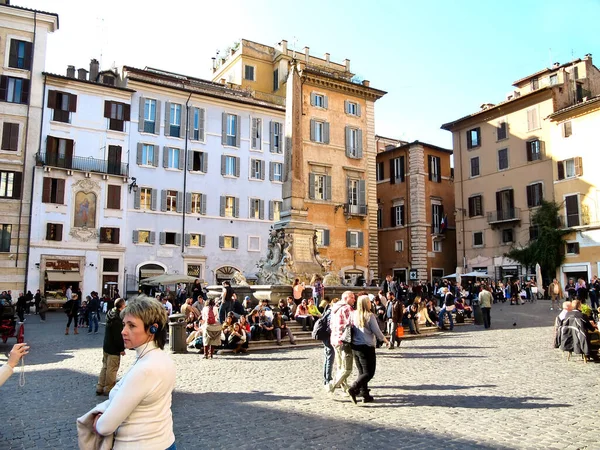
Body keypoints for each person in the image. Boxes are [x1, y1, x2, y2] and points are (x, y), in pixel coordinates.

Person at [88, 296, 176, 450]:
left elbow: (104, 427)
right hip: (164, 441)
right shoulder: (162, 358)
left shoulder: (145, 369)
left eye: (132, 326)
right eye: (124, 325)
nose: (123, 331)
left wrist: (99, 421)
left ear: (152, 329)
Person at [347, 295, 389, 404]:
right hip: (366, 346)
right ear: (367, 303)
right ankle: (353, 388)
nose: (371, 303)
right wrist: (385, 340)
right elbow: (377, 331)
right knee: (369, 373)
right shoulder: (369, 316)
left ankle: (364, 393)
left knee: (361, 371)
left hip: (355, 346)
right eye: (369, 302)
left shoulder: (353, 314)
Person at [327, 291, 356, 394]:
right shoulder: (347, 308)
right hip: (344, 341)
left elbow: (330, 324)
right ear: (345, 298)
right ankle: (332, 384)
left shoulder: (334, 308)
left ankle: (345, 389)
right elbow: (353, 324)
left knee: (340, 366)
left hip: (334, 339)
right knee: (347, 368)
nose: (354, 299)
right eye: (352, 297)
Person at [96, 298, 126, 396]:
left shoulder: (110, 313)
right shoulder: (117, 319)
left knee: (105, 366)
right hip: (114, 348)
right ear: (122, 306)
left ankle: (100, 387)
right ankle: (109, 388)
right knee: (112, 369)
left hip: (106, 345)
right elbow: (118, 336)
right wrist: (121, 349)